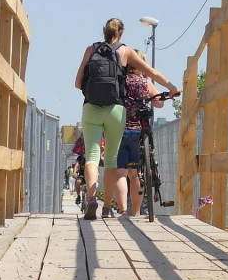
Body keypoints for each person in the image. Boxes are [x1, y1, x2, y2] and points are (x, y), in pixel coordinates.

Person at [74, 17, 178, 220]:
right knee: (111, 159)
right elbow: (151, 72)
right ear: (121, 33)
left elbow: (78, 83)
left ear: (104, 31)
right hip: (115, 110)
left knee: (93, 156)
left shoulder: (90, 49)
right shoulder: (125, 51)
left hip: (91, 108)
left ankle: (92, 198)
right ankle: (106, 208)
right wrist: (172, 87)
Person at [116, 50, 166, 217]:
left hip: (121, 130)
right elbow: (159, 104)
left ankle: (123, 210)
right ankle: (136, 212)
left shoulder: (120, 80)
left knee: (121, 173)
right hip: (139, 132)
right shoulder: (145, 81)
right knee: (136, 174)